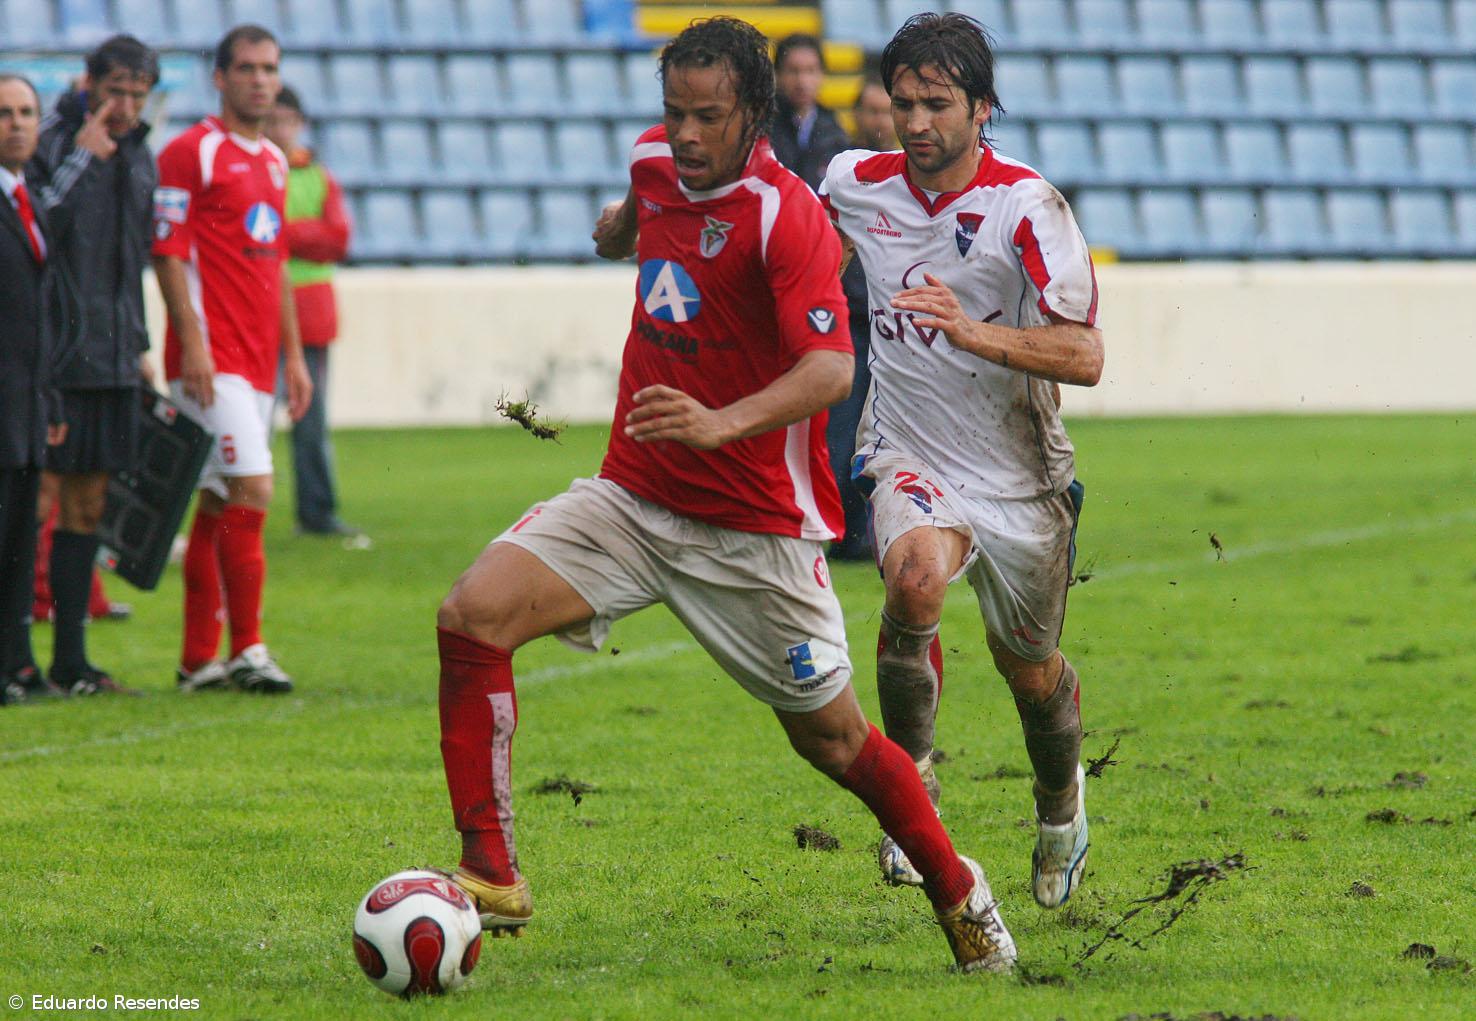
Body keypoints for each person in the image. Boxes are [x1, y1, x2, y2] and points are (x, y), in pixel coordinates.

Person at [432, 17, 1016, 973]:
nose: (687, 135)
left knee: (836, 743)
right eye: (674, 114)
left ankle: (959, 889)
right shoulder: (656, 160)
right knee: (470, 616)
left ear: (753, 115)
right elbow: (639, 210)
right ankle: (491, 871)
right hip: (630, 495)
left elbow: (831, 367)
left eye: (709, 117)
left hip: (750, 531)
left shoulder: (784, 217)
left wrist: (718, 422)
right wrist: (621, 227)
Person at [819, 13, 1104, 911]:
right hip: (910, 452)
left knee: (1032, 675)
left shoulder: (1028, 205)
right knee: (910, 582)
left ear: (983, 109)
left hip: (1021, 475)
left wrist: (969, 328)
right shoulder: (853, 185)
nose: (913, 123)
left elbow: (1087, 355)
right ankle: (915, 799)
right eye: (901, 103)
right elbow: (805, 260)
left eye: (936, 104)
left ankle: (1061, 806)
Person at [152, 24, 312, 695]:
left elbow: (274, 266)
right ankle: (248, 648)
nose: (259, 79)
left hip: (258, 361)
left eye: (268, 68)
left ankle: (197, 661)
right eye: (245, 68)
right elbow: (167, 251)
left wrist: (296, 360)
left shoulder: (275, 162)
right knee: (254, 489)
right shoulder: (191, 152)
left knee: (220, 499)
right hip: (209, 360)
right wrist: (192, 341)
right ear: (219, 77)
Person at [18, 34, 160, 696]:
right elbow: (35, 233)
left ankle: (71, 660)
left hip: (112, 355)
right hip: (56, 356)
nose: (126, 105)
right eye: (116, 90)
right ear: (89, 83)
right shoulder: (50, 142)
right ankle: (16, 654)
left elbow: (132, 263)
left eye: (137, 92)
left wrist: (140, 348)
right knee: (33, 501)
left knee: (90, 505)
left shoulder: (140, 153)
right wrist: (82, 158)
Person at [263, 85, 360, 540]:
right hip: (263, 314)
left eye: (287, 119)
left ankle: (317, 513)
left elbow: (338, 240)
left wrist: (282, 233)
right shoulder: (259, 170)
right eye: (273, 119)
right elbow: (324, 237)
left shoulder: (317, 176)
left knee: (311, 422)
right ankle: (247, 511)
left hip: (308, 316)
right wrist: (306, 234)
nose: (281, 128)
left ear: (299, 123)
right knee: (256, 420)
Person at [0, 74, 69, 705]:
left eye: (26, 112)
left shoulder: (29, 197)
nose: (16, 124)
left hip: (25, 405)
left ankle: (16, 665)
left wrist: (47, 400)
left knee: (22, 539)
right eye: (4, 113)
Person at [825, 77, 898, 562]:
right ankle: (847, 531)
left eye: (885, 110)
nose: (879, 121)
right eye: (870, 110)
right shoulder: (847, 178)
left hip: (898, 332)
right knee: (843, 431)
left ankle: (880, 530)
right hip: (852, 323)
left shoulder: (913, 182)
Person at [767, 34, 850, 191]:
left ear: (821, 74)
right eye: (793, 71)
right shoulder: (762, 128)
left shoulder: (834, 133)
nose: (802, 81)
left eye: (810, 71)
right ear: (777, 74)